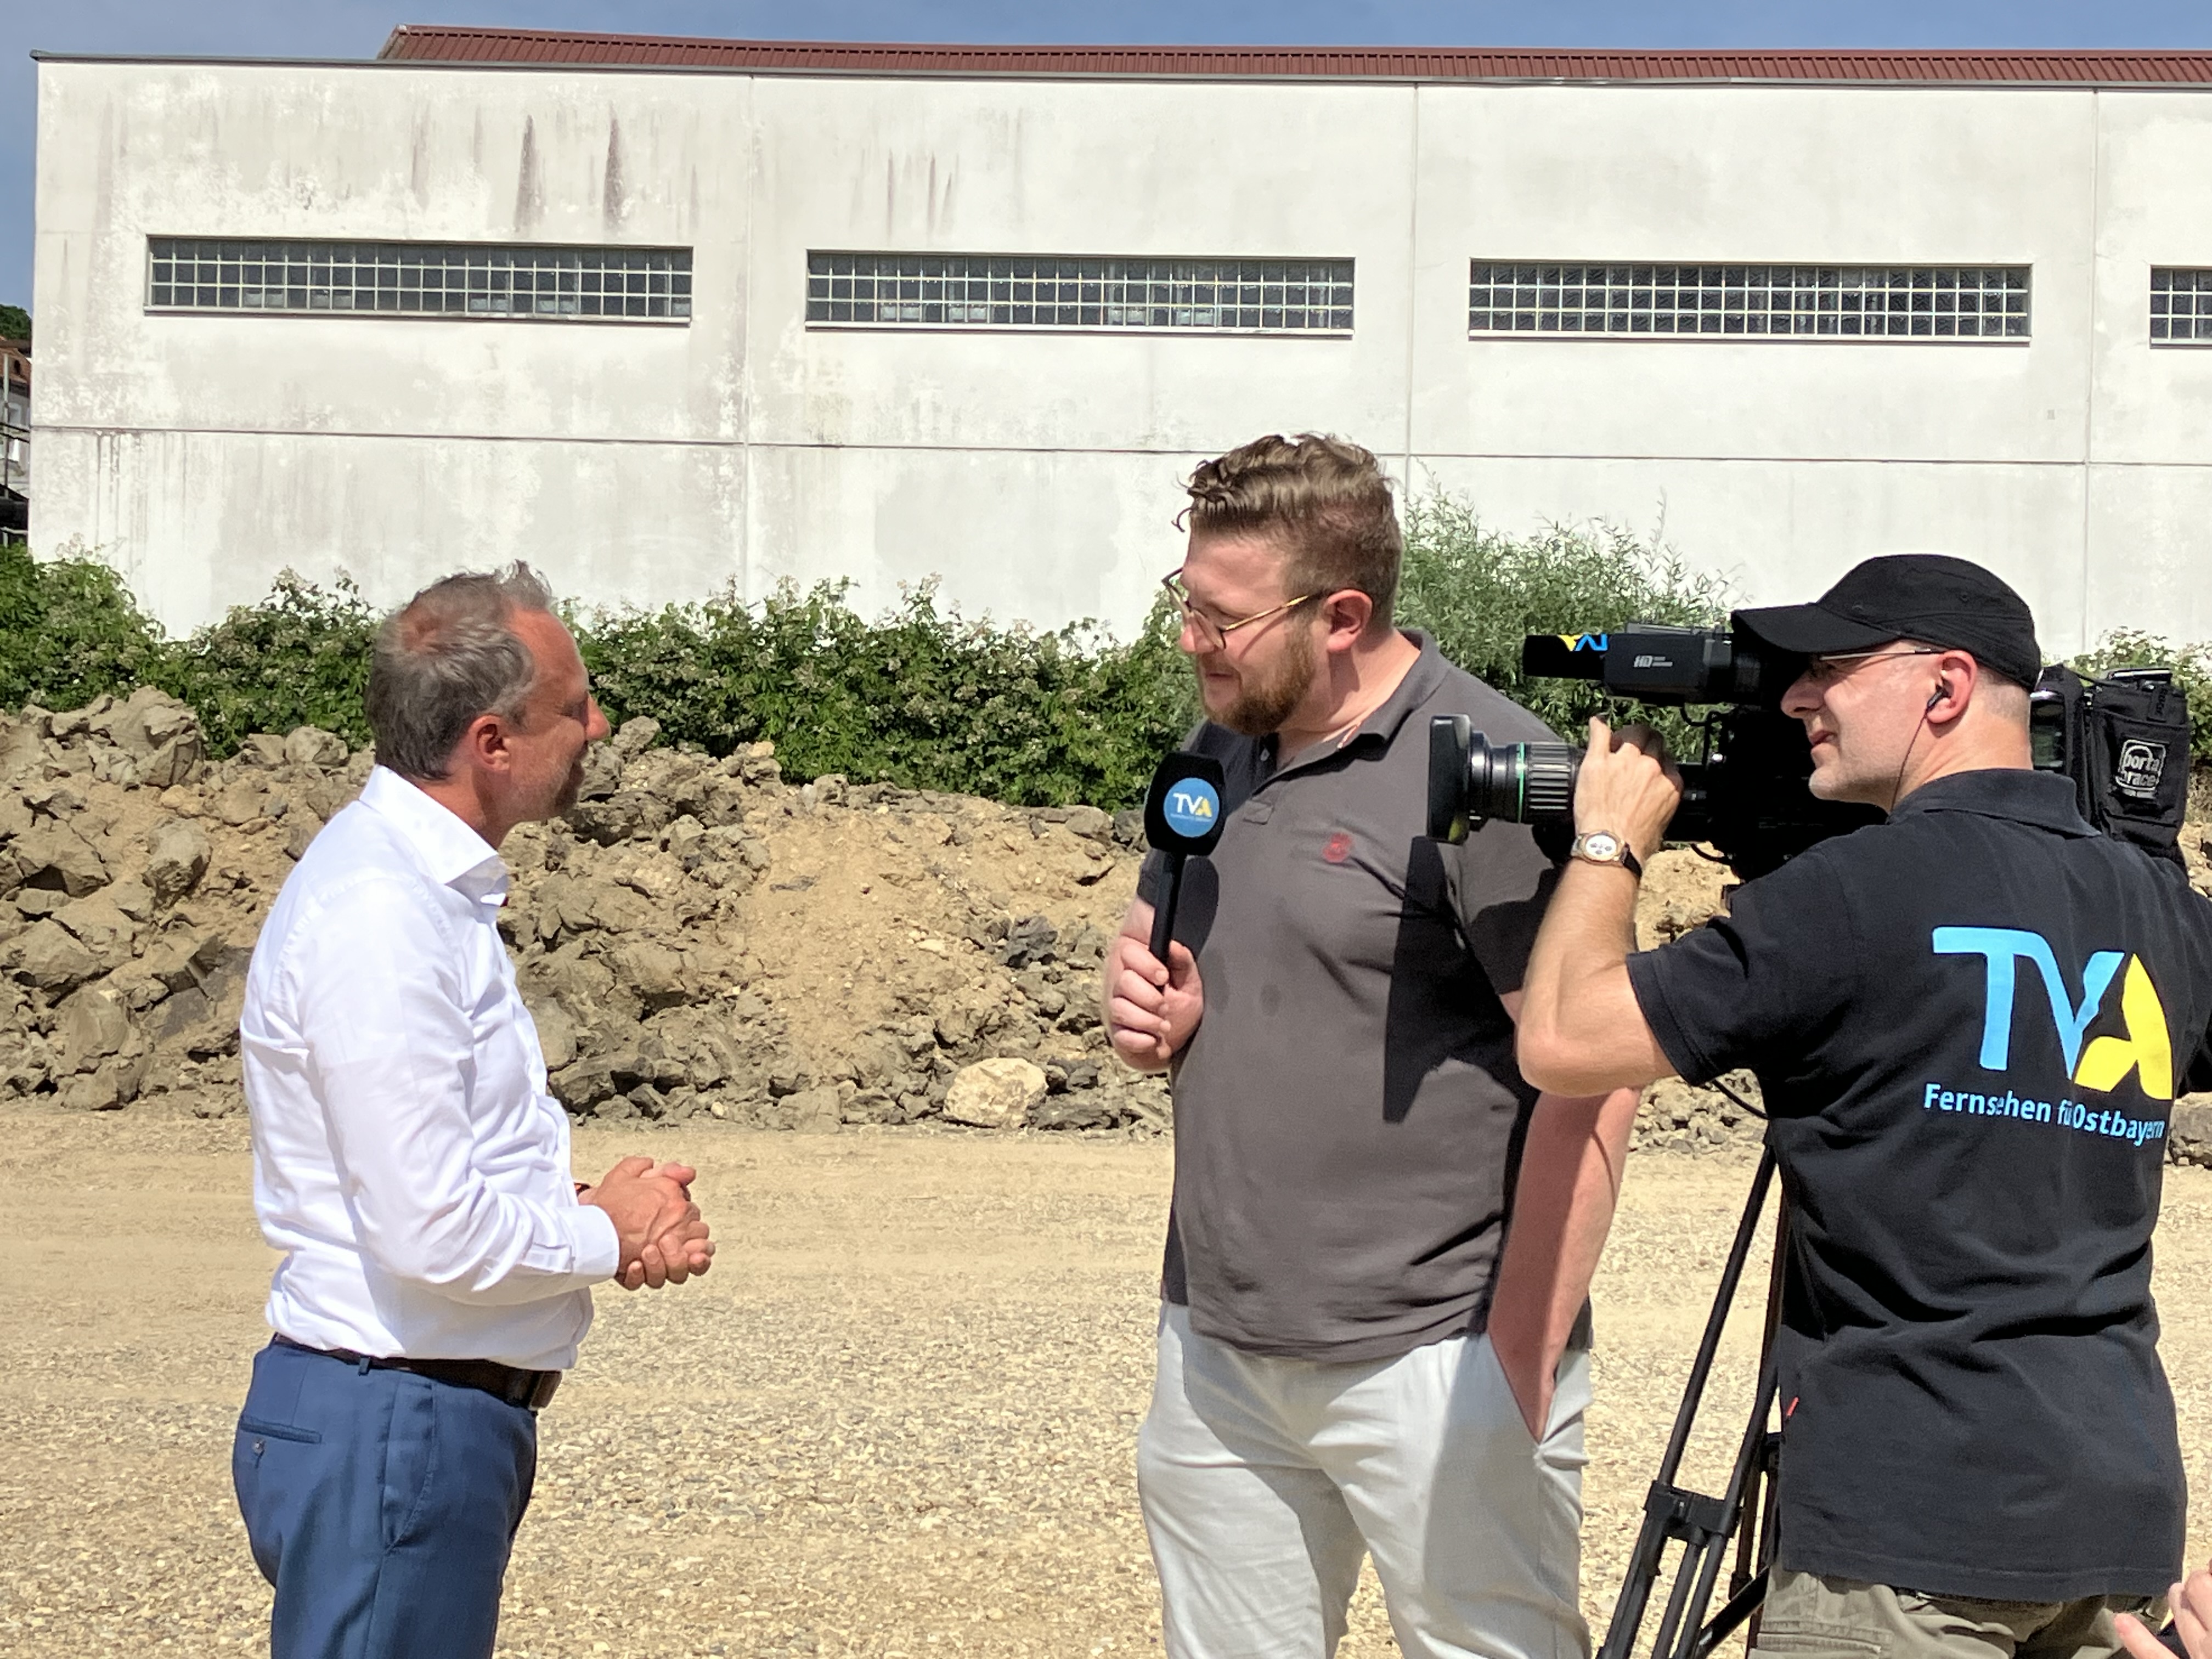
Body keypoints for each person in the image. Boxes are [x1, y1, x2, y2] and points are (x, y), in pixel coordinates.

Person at [1515, 554, 2212, 1659]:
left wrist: (1608, 838)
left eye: (1831, 668)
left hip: (1906, 1529)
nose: (1798, 697)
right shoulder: (2154, 905)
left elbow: (1563, 1039)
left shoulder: (1855, 896)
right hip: (2114, 1524)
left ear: (1942, 687)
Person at [1103, 432, 1641, 1659]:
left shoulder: (1496, 777)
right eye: (1184, 601)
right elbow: (1171, 941)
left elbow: (1595, 1076)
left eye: (1222, 617)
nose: (1192, 637)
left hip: (1437, 1357)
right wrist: (1145, 1006)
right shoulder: (1220, 745)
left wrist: (1523, 1352)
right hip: (1218, 1348)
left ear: (1342, 614)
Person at [232, 565, 716, 1659]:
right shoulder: (381, 916)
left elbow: (436, 1178)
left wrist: (589, 1212)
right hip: (396, 1423)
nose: (600, 723)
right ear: (491, 743)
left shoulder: (420, 894)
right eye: (575, 705)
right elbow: (431, 1229)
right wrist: (610, 1234)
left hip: (410, 1420)